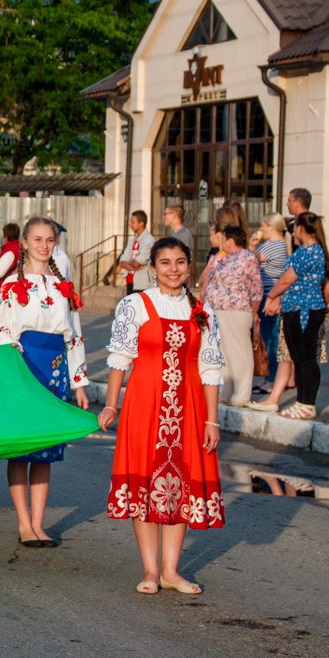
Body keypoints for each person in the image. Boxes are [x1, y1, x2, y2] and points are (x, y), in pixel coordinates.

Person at [99, 237, 224, 595]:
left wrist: (212, 420)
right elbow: (120, 358)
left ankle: (171, 570)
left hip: (189, 405)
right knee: (145, 479)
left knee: (179, 485)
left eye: (180, 262)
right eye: (165, 262)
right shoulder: (134, 305)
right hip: (145, 402)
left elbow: (210, 368)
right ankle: (150, 570)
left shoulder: (202, 311)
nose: (173, 269)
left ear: (189, 266)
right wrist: (111, 404)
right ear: (152, 267)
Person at [0, 217, 89, 548]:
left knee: (46, 448)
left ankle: (39, 523)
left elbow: (73, 335)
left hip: (56, 364)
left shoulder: (63, 286)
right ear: (25, 244)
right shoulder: (10, 286)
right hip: (24, 361)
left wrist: (79, 382)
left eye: (50, 240)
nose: (44, 246)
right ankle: (23, 523)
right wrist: (14, 353)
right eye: (38, 239)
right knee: (22, 449)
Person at [263, 212, 329, 421]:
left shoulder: (312, 251)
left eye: (294, 227)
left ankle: (308, 403)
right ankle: (301, 401)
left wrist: (271, 297)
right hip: (293, 309)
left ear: (301, 227)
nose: (292, 231)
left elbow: (286, 280)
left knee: (306, 358)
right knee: (298, 357)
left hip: (306, 310)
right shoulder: (303, 250)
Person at [201, 224, 261, 407]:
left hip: (237, 309)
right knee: (223, 353)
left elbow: (256, 286)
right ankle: (226, 390)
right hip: (216, 309)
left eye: (224, 239)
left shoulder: (248, 257)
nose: (221, 242)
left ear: (231, 240)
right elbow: (208, 276)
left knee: (239, 351)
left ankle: (242, 394)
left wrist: (255, 311)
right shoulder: (220, 257)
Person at [249, 213, 289, 392]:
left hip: (270, 295)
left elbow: (253, 258)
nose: (261, 229)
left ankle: (272, 379)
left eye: (263, 226)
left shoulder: (275, 246)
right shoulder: (271, 245)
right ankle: (269, 378)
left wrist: (251, 245)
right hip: (266, 293)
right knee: (268, 337)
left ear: (272, 227)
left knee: (272, 339)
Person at [118, 210, 154, 295]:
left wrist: (130, 264)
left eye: (133, 222)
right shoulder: (132, 239)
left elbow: (138, 262)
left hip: (143, 283)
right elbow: (122, 261)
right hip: (130, 281)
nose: (130, 224)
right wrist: (131, 266)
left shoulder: (149, 240)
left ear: (141, 223)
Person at [0, 223, 22, 301]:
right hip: (14, 288)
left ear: (6, 237)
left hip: (4, 291)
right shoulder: (19, 248)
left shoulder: (10, 251)